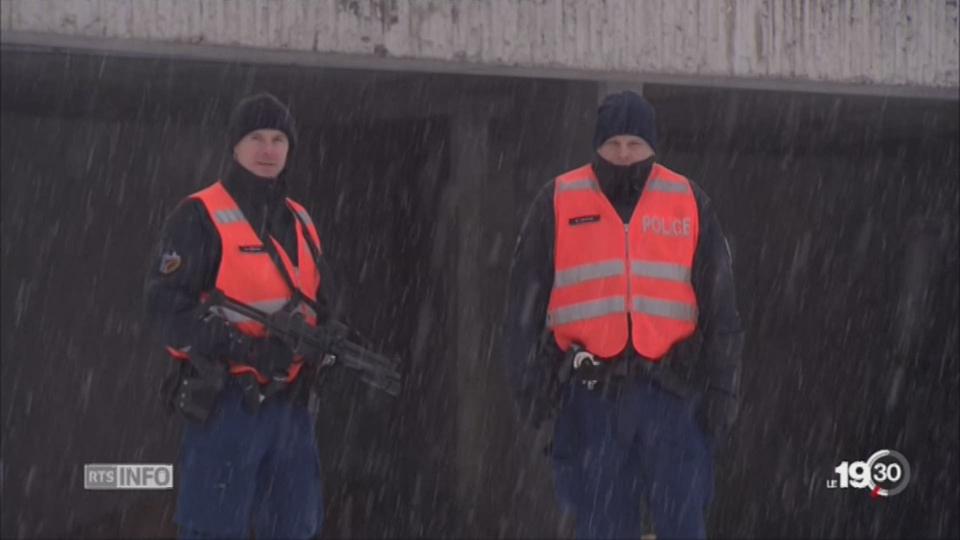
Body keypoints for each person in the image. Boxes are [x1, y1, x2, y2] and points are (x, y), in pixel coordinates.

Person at [501, 90, 744, 539]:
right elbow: (522, 309)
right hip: (590, 399)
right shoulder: (558, 200)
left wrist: (722, 393)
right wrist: (532, 391)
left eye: (635, 144)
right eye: (613, 145)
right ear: (597, 147)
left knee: (683, 521)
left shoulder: (689, 201)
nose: (625, 154)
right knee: (601, 525)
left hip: (672, 396)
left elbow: (721, 311)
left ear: (653, 148)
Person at [144, 92, 334, 539]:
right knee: (214, 528)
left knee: (295, 527)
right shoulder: (199, 215)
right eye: (256, 138)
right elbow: (166, 309)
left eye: (278, 139)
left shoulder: (301, 220)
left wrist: (324, 344)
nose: (268, 149)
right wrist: (245, 348)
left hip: (292, 411)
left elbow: (323, 301)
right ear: (234, 146)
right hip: (229, 404)